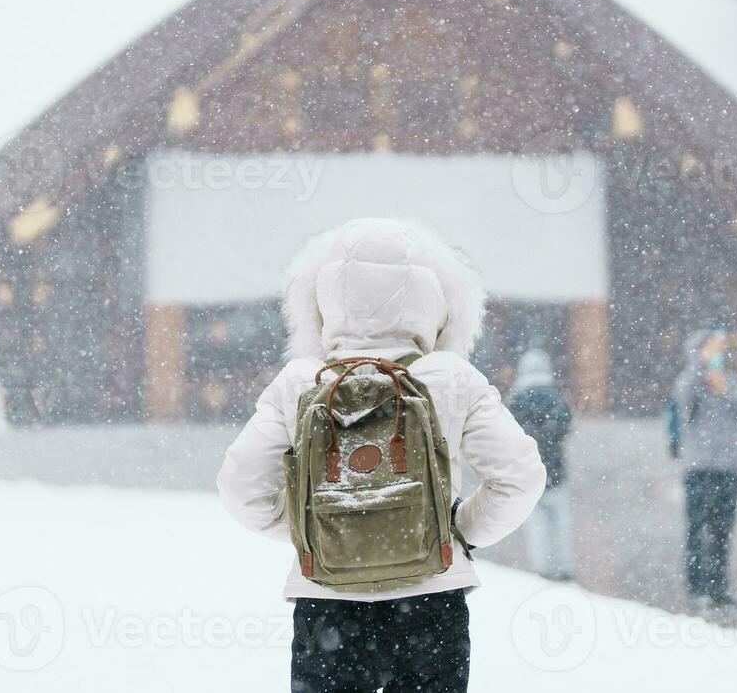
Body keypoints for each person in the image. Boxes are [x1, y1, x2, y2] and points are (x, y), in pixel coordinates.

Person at [217, 218, 546, 693]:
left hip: (328, 602)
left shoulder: (301, 381)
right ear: (434, 299)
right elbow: (520, 478)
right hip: (430, 600)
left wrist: (311, 532)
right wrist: (456, 531)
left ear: (324, 299)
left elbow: (239, 484)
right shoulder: (451, 377)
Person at [667, 328, 737, 607]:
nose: (717, 354)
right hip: (700, 468)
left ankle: (719, 586)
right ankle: (697, 587)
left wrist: (727, 391)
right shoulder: (688, 382)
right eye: (710, 349)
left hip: (730, 468)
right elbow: (683, 406)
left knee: (722, 530)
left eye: (719, 349)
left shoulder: (734, 382)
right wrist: (701, 370)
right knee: (698, 528)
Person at [506, 348, 576, 581]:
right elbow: (565, 425)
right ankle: (565, 567)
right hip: (556, 467)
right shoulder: (555, 394)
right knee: (561, 521)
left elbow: (507, 433)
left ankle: (541, 568)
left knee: (537, 522)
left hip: (528, 470)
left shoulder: (516, 397)